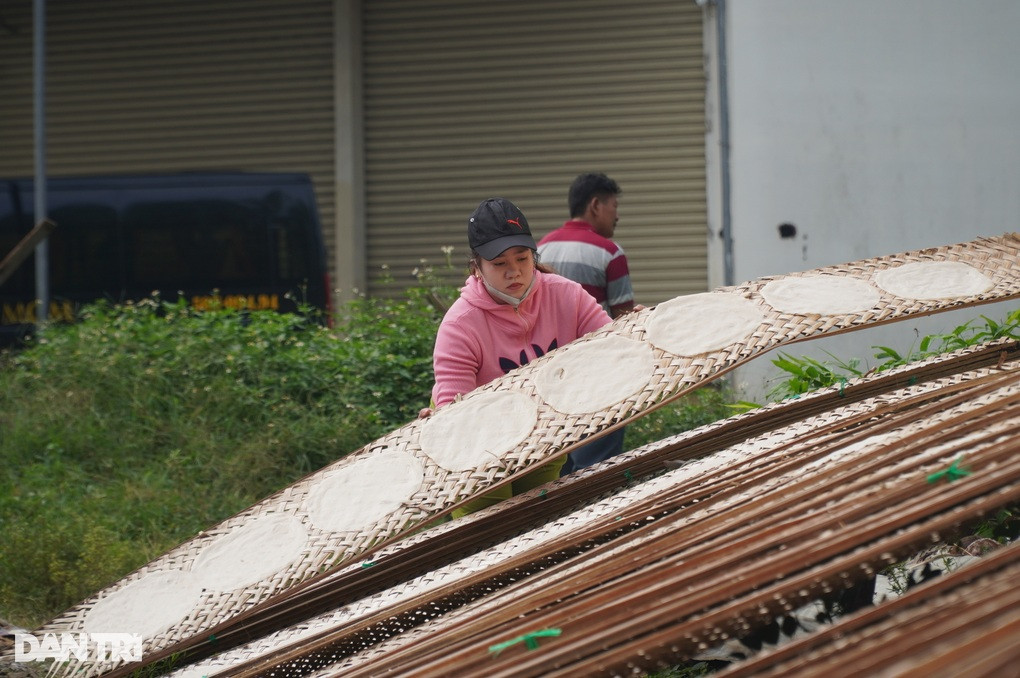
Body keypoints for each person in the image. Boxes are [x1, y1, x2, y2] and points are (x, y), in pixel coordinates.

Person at [420, 197, 620, 516]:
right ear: (477, 268)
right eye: (499, 264)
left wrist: (637, 330)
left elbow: (615, 346)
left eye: (522, 258)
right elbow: (453, 409)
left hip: (544, 429)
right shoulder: (460, 324)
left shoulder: (565, 295)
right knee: (487, 527)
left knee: (537, 518)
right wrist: (442, 423)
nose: (514, 272)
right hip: (478, 443)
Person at [537, 172, 635, 319]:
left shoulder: (540, 248)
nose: (617, 216)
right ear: (595, 205)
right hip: (596, 335)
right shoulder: (610, 253)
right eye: (614, 206)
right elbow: (625, 319)